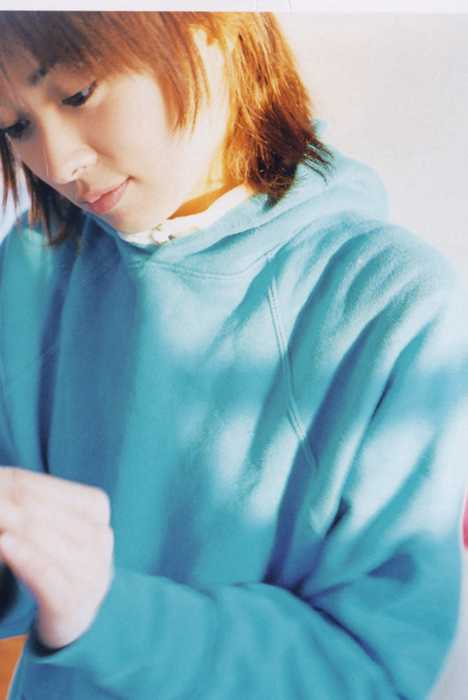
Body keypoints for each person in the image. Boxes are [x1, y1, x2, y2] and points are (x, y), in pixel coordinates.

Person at [0, 11, 466, 700]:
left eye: (77, 94)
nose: (58, 163)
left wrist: (108, 612)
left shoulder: (396, 306)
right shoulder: (38, 261)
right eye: (15, 126)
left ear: (206, 30)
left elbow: (372, 670)